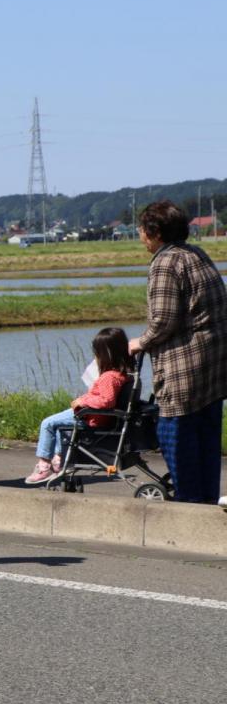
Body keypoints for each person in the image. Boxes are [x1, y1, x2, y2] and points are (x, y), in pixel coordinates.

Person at [128, 200, 227, 504]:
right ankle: (206, 503)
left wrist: (139, 342)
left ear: (154, 232)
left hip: (184, 369)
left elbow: (163, 321)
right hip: (214, 366)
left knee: (177, 439)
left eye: (142, 229)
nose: (140, 234)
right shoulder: (196, 254)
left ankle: (188, 507)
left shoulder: (165, 262)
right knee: (206, 441)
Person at [25, 328, 132, 484]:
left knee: (47, 424)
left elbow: (106, 401)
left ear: (105, 354)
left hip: (90, 417)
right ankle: (58, 459)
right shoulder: (120, 374)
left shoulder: (109, 377)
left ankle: (44, 466)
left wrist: (83, 402)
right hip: (89, 413)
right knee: (60, 425)